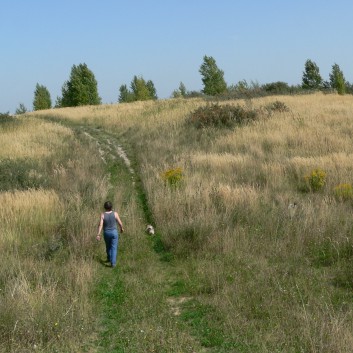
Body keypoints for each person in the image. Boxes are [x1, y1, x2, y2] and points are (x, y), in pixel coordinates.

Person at [96, 201, 124, 267]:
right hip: (114, 233)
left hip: (106, 233)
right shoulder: (115, 214)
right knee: (114, 247)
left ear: (104, 207)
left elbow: (100, 225)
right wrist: (121, 228)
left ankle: (109, 258)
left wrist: (98, 234)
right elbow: (120, 223)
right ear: (111, 207)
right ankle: (113, 263)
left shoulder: (102, 215)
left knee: (108, 246)